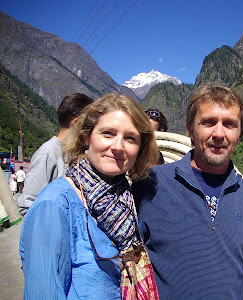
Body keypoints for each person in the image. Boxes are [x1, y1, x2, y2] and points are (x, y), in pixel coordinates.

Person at [20, 94, 160, 299]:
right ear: (87, 137)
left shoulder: (128, 198)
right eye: (107, 133)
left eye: (130, 138)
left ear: (140, 149)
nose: (118, 146)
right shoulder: (55, 204)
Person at [133, 85, 243, 299]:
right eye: (208, 122)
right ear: (192, 130)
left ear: (239, 135)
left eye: (229, 124)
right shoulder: (151, 185)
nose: (219, 134)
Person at [18, 93, 94, 215]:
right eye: (90, 125)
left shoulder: (82, 153)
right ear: (76, 123)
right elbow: (27, 206)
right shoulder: (47, 154)